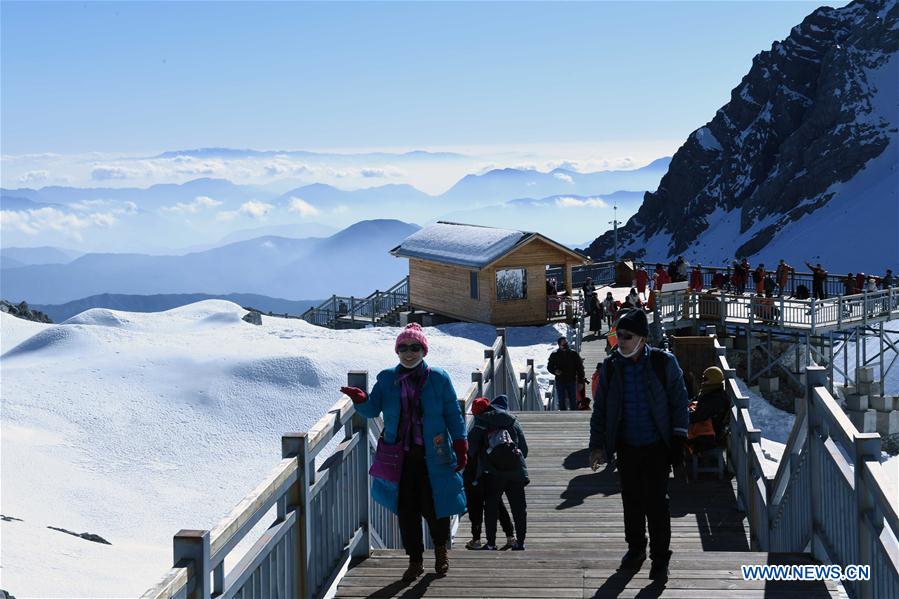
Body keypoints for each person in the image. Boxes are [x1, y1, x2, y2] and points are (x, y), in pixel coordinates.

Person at [340, 323, 467, 583]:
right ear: (397, 351)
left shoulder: (439, 378)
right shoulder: (387, 379)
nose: (409, 353)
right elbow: (373, 409)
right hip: (400, 458)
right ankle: (415, 561)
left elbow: (453, 413)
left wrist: (461, 443)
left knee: (437, 507)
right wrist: (361, 400)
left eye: (415, 347)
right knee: (407, 511)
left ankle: (440, 551)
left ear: (424, 350)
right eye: (403, 348)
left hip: (435, 455)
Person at [589, 309, 689, 581]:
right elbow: (601, 409)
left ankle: (660, 558)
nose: (620, 341)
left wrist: (678, 440)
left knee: (657, 504)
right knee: (631, 501)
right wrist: (597, 445)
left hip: (657, 445)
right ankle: (636, 549)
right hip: (627, 446)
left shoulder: (663, 363)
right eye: (618, 335)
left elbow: (679, 402)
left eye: (627, 336)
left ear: (642, 339)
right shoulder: (611, 367)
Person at [468, 394, 529, 551]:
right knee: (519, 509)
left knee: (491, 508)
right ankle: (520, 542)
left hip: (493, 472)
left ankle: (491, 544)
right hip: (516, 471)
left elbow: (471, 449)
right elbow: (524, 449)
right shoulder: (512, 421)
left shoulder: (481, 422)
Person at [686, 367, 730, 455]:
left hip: (707, 437)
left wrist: (681, 414)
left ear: (713, 380)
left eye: (705, 379)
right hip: (706, 431)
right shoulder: (710, 392)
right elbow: (695, 402)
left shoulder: (714, 399)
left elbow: (696, 416)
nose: (703, 382)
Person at [548, 336, 585, 411]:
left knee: (573, 400)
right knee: (561, 400)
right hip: (560, 381)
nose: (566, 345)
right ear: (559, 345)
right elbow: (549, 367)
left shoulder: (574, 354)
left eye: (566, 343)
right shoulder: (554, 355)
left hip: (572, 380)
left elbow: (580, 368)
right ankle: (563, 415)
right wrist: (555, 371)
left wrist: (581, 381)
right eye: (564, 344)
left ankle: (573, 415)